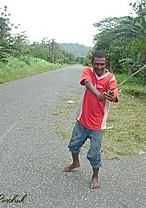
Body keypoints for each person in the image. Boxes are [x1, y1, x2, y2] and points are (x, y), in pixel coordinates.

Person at [62, 50, 119, 189]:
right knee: (73, 146)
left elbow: (115, 96)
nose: (99, 67)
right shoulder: (88, 71)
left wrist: (111, 95)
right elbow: (87, 82)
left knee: (94, 154)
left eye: (102, 64)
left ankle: (95, 177)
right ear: (92, 63)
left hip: (97, 125)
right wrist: (98, 93)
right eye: (96, 64)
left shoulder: (111, 78)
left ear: (106, 63)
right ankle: (75, 163)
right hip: (82, 120)